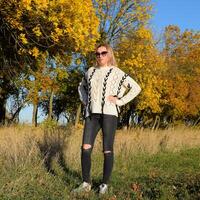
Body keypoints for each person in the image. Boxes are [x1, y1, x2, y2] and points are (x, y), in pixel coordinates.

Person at [74, 43, 141, 194]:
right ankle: (86, 183)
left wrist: (120, 101)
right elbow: (81, 87)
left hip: (109, 114)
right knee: (85, 148)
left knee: (107, 149)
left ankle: (104, 184)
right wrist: (85, 100)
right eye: (97, 54)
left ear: (109, 54)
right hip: (91, 114)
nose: (100, 56)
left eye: (103, 53)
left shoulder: (116, 72)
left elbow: (136, 87)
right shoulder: (90, 71)